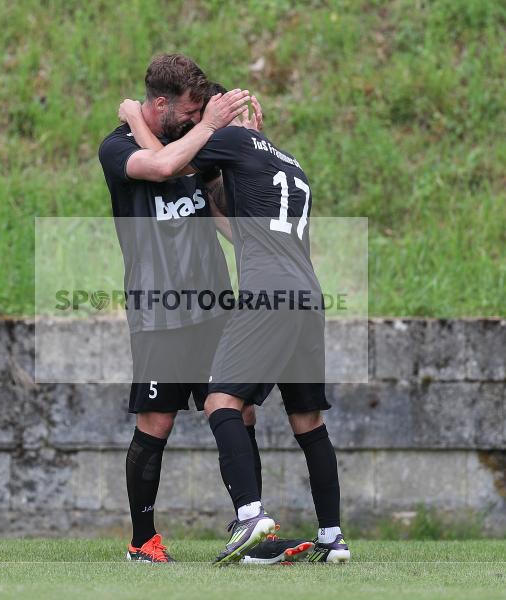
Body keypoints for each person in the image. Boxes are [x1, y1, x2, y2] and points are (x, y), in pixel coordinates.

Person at [119, 85, 352, 564]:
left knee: (220, 400)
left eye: (211, 114)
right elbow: (234, 224)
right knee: (309, 421)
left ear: (227, 117)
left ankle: (249, 516)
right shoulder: (287, 161)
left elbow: (166, 164)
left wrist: (133, 118)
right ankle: (333, 538)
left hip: (268, 294)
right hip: (309, 294)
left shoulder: (232, 142)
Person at [98, 54, 257, 563]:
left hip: (214, 304)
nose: (194, 119)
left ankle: (250, 526)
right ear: (160, 104)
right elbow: (163, 167)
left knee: (239, 410)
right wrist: (208, 127)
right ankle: (143, 541)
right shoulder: (117, 146)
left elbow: (230, 227)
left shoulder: (198, 149)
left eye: (200, 113)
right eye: (188, 112)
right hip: (158, 312)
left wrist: (247, 150)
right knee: (156, 423)